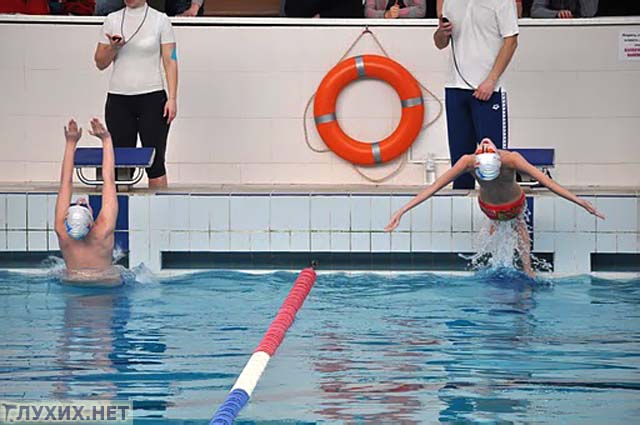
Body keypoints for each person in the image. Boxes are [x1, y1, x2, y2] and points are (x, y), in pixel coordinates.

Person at [384, 138, 605, 277]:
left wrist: (581, 202)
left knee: (510, 225)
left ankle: (518, 267)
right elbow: (434, 187)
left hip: (501, 206)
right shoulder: (481, 161)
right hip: (500, 206)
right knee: (515, 226)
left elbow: (547, 182)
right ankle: (517, 267)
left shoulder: (502, 160)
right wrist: (402, 211)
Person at [434, 0, 519, 190]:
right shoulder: (450, 3)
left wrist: (491, 80)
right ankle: (460, 205)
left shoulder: (502, 2)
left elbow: (511, 41)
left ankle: (498, 205)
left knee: (493, 160)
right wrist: (442, 32)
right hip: (455, 86)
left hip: (490, 90)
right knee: (460, 160)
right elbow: (440, 43)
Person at [94, 0, 178, 188]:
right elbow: (100, 62)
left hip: (152, 98)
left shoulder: (160, 20)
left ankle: (159, 205)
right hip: (119, 100)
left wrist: (172, 98)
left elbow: (170, 60)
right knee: (121, 164)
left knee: (155, 163)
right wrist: (113, 47)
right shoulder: (112, 20)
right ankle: (120, 205)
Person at [54, 118, 121, 286]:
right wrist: (106, 139)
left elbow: (65, 183)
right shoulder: (103, 230)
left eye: (76, 204)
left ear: (67, 220)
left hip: (73, 285)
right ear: (90, 223)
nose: (81, 199)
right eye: (83, 205)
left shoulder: (62, 231)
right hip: (106, 285)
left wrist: (70, 142)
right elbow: (109, 180)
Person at [531, 0, 598, 18]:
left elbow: (589, 12)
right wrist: (557, 13)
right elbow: (535, 10)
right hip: (553, 30)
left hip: (579, 31)